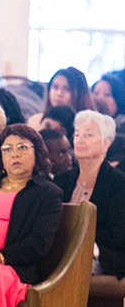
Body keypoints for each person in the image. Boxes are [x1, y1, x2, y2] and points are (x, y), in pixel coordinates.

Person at [0, 124, 63, 307]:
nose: (15, 154)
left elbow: (38, 244)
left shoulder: (48, 194)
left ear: (37, 153)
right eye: (7, 149)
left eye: (22, 147)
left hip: (14, 269)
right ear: (0, 156)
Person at [54, 110, 125, 297]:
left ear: (106, 145)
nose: (80, 139)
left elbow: (117, 234)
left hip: (101, 254)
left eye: (89, 135)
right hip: (60, 247)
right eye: (77, 134)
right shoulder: (61, 181)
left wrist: (78, 237)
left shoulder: (119, 184)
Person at [27, 66, 95, 129]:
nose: (59, 93)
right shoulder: (35, 122)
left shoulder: (88, 125)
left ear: (80, 95)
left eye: (67, 89)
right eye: (55, 87)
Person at [91, 74, 125, 164]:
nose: (99, 98)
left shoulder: (122, 127)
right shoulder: (84, 123)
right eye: (95, 93)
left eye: (107, 94)